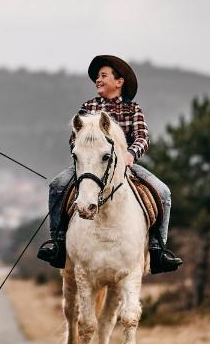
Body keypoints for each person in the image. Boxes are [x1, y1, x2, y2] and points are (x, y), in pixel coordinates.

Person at [37, 54, 182, 274]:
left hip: (125, 166)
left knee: (163, 193)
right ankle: (57, 243)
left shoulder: (133, 109)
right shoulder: (88, 107)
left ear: (119, 81)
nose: (98, 80)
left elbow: (143, 137)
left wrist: (131, 153)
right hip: (91, 168)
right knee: (57, 186)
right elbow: (74, 138)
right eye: (97, 77)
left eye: (103, 75)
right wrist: (84, 153)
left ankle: (157, 249)